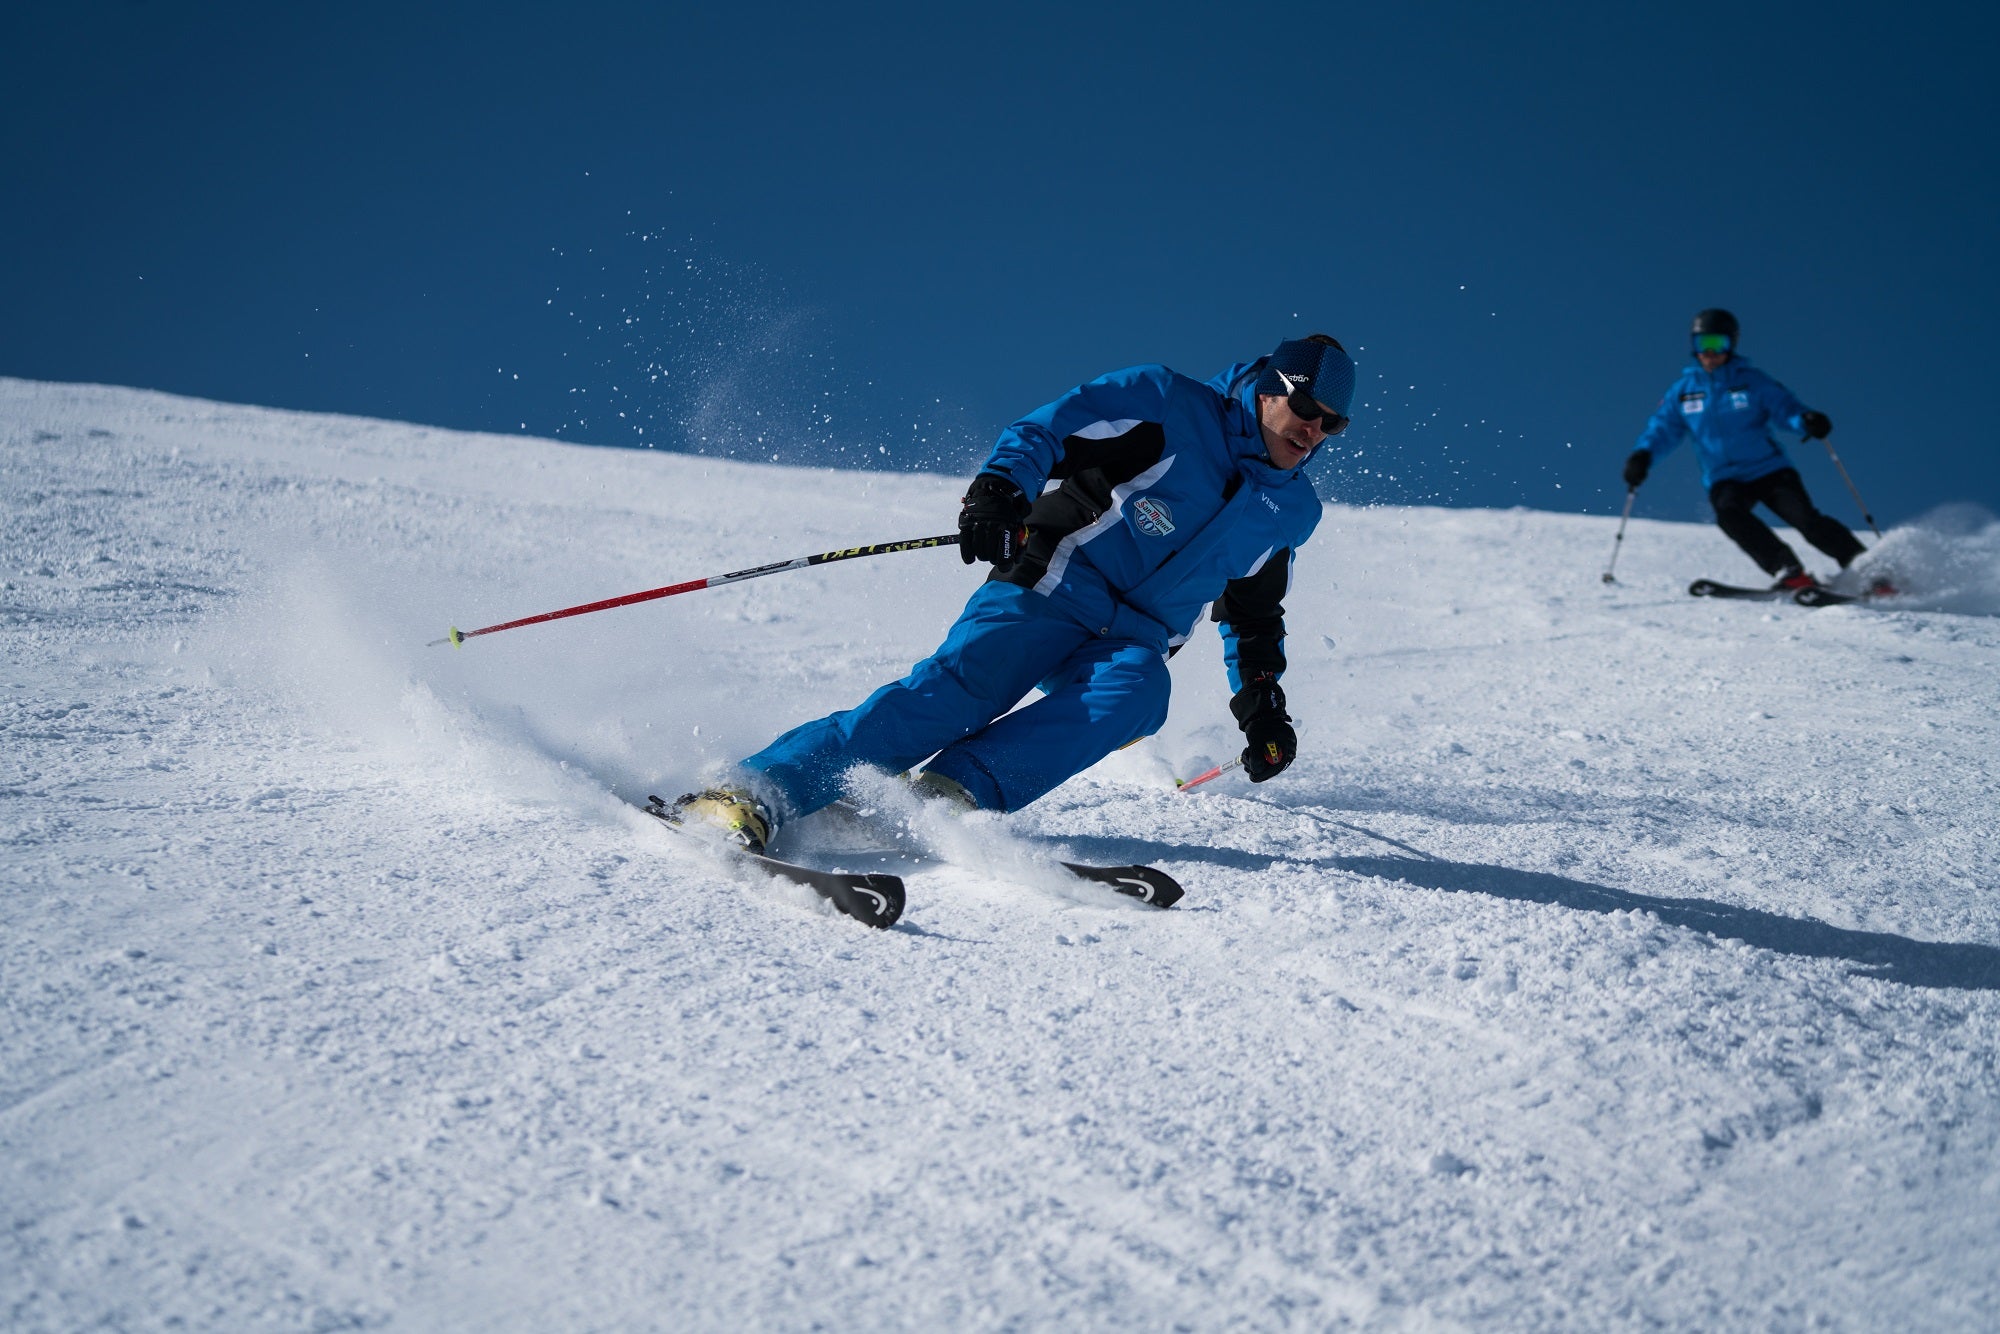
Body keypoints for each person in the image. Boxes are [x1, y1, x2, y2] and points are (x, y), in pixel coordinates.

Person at [677, 334, 1356, 852]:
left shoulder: (1291, 511)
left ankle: (947, 799)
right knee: (957, 694)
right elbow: (1050, 428)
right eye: (1305, 408)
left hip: (1135, 638)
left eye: (1331, 423)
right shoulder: (1170, 404)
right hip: (1056, 581)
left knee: (1138, 693)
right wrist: (1000, 491)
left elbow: (1253, 609)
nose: (1313, 430)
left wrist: (1262, 704)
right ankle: (750, 792)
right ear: (1271, 386)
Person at [1623, 308, 1866, 590]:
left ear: (1732, 345)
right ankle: (1786, 569)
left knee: (1805, 520)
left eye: (1718, 344)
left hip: (1769, 470)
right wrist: (1643, 455)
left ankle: (1868, 568)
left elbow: (1784, 408)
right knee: (1730, 516)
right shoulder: (1683, 391)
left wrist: (1805, 421)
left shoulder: (1751, 380)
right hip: (1724, 477)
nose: (1710, 353)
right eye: (1703, 345)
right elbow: (1663, 428)